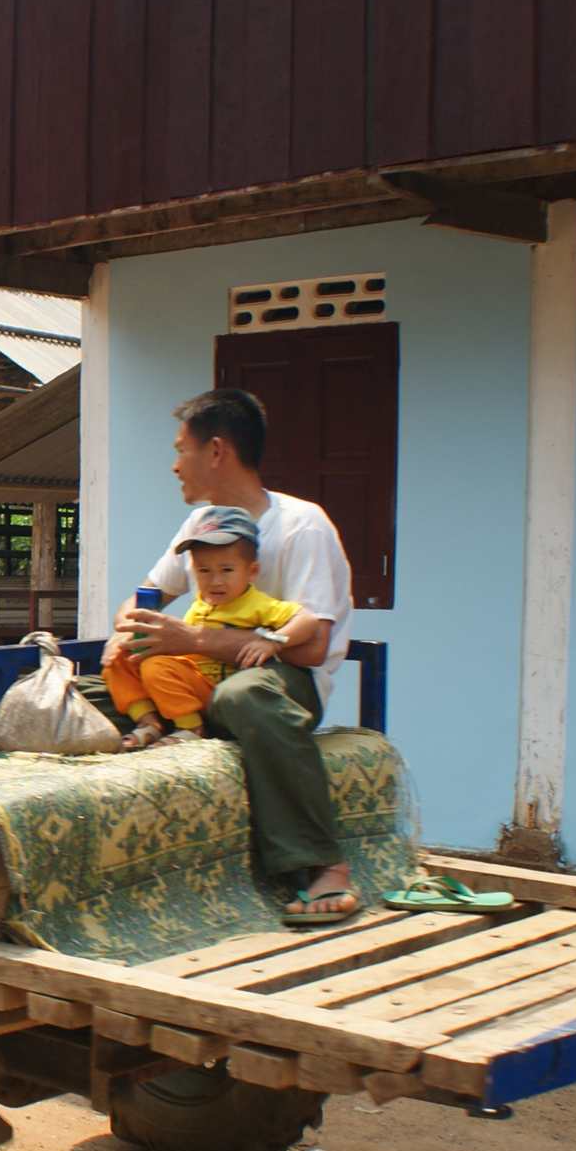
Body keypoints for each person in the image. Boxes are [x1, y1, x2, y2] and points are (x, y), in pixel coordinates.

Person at [114, 389, 359, 926]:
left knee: (243, 694)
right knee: (97, 684)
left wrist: (194, 642)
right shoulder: (200, 526)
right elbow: (147, 594)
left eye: (182, 450)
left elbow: (313, 644)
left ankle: (324, 865)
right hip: (206, 676)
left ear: (217, 451)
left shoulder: (302, 525)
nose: (175, 465)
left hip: (283, 681)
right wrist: (127, 628)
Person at [105, 506, 322, 752]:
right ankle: (149, 722)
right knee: (119, 658)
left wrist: (271, 641)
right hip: (186, 676)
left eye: (227, 570)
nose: (215, 580)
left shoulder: (256, 604)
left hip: (215, 688)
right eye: (204, 571)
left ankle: (192, 728)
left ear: (251, 572)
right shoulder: (202, 602)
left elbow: (308, 621)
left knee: (156, 666)